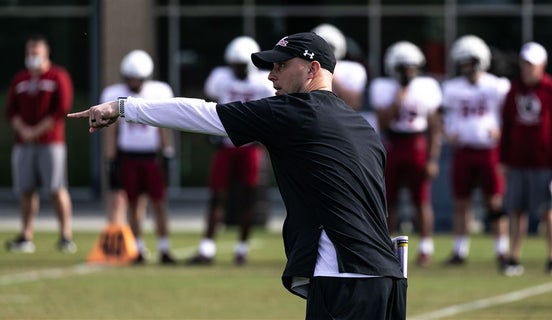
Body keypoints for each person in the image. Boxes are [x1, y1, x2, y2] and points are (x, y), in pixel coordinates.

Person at [70, 32, 407, 319]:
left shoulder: (294, 112)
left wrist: (123, 107)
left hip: (343, 275)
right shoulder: (362, 126)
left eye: (280, 66)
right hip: (386, 277)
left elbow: (202, 114)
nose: (271, 76)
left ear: (313, 69)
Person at [187, 36, 274, 266]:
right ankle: (207, 248)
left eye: (242, 65)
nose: (238, 69)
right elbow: (210, 103)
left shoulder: (263, 83)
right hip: (225, 146)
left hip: (250, 148)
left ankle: (241, 249)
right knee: (217, 196)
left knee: (248, 198)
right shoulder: (220, 78)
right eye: (235, 64)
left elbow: (272, 112)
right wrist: (210, 133)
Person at [500, 42, 552, 277]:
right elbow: (507, 125)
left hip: (544, 161)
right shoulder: (514, 90)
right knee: (516, 210)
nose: (527, 69)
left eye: (532, 65)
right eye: (525, 64)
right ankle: (513, 257)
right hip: (518, 161)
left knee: (549, 210)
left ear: (542, 65)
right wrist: (503, 158)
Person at [369, 40, 443, 267]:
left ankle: (425, 249)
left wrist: (432, 158)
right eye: (403, 68)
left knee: (420, 199)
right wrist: (397, 100)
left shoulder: (426, 87)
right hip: (392, 143)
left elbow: (434, 126)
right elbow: (381, 122)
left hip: (417, 143)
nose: (407, 73)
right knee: (387, 199)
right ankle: (386, 246)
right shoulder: (383, 87)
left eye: (411, 67)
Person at [99, 50, 177, 265]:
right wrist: (111, 159)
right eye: (131, 78)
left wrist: (168, 151)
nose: (134, 82)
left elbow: (163, 125)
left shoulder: (157, 92)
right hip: (129, 157)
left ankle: (164, 248)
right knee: (133, 203)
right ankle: (138, 248)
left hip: (151, 157)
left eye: (138, 78)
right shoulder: (115, 95)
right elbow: (112, 130)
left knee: (159, 202)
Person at [441, 35, 511, 270]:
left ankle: (502, 249)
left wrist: (501, 132)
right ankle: (460, 250)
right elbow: (441, 117)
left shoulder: (497, 86)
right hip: (463, 151)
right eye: (462, 63)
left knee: (494, 201)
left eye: (469, 62)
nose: (466, 68)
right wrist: (448, 133)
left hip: (489, 151)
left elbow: (509, 115)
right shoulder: (452, 88)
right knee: (462, 202)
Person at [5, 35, 76, 254]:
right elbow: (11, 111)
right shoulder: (21, 79)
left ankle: (66, 236)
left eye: (35, 53)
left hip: (50, 142)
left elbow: (61, 109)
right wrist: (23, 130)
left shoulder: (57, 76)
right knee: (26, 190)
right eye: (29, 53)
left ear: (46, 54)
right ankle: (26, 236)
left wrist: (36, 130)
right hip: (23, 143)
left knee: (56, 188)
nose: (31, 57)